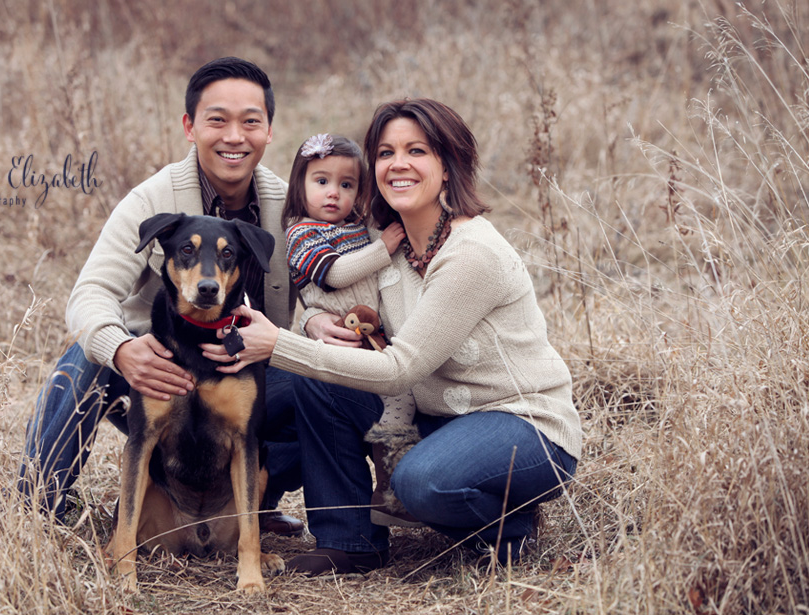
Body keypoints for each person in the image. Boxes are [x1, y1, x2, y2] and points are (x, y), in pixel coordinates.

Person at [201, 98, 582, 576]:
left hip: (520, 423)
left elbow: (401, 367)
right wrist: (316, 324)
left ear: (448, 166)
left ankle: (507, 527)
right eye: (385, 153)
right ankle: (351, 540)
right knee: (313, 383)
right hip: (434, 417)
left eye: (417, 151)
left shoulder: (472, 254)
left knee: (421, 483)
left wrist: (278, 343)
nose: (398, 164)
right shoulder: (388, 244)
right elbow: (341, 303)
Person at [17, 57, 304, 537]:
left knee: (319, 386)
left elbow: (327, 283)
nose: (234, 136)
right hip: (156, 375)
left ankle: (249, 503)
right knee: (82, 360)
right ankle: (34, 507)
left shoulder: (291, 207)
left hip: (241, 372)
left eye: (250, 121)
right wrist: (123, 350)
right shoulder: (151, 200)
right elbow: (90, 294)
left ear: (269, 130)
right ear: (190, 126)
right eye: (217, 120)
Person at [281, 133, 420, 526]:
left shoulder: (358, 228)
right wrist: (383, 249)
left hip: (374, 343)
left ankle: (389, 487)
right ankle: (368, 505)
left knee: (398, 405)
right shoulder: (301, 233)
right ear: (300, 185)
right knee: (339, 400)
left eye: (347, 185)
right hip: (339, 339)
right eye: (321, 181)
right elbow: (335, 274)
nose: (333, 193)